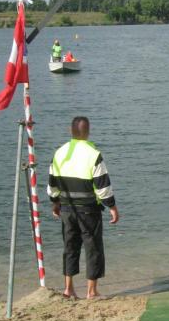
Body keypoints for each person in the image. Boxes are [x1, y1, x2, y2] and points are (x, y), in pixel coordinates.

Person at [47, 116, 119, 300]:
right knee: (93, 248)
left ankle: (68, 289)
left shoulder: (59, 153)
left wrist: (55, 202)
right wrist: (112, 206)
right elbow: (102, 186)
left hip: (67, 208)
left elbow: (52, 183)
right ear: (88, 131)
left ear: (70, 130)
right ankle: (91, 292)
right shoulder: (93, 154)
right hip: (89, 210)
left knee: (70, 247)